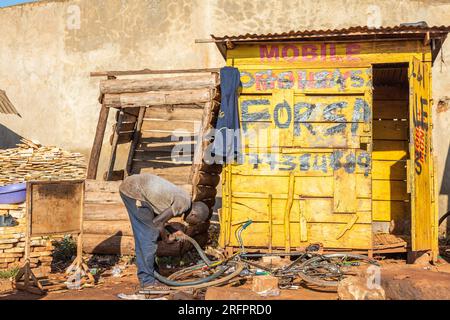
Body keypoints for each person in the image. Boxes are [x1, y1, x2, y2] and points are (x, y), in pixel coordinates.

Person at [119, 173, 210, 291]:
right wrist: (166, 239)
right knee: (148, 236)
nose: (190, 224)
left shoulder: (185, 199)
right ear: (193, 214)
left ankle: (152, 274)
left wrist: (173, 231)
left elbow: (160, 218)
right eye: (194, 222)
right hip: (135, 191)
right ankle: (147, 282)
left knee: (147, 236)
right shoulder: (184, 204)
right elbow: (157, 222)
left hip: (136, 188)